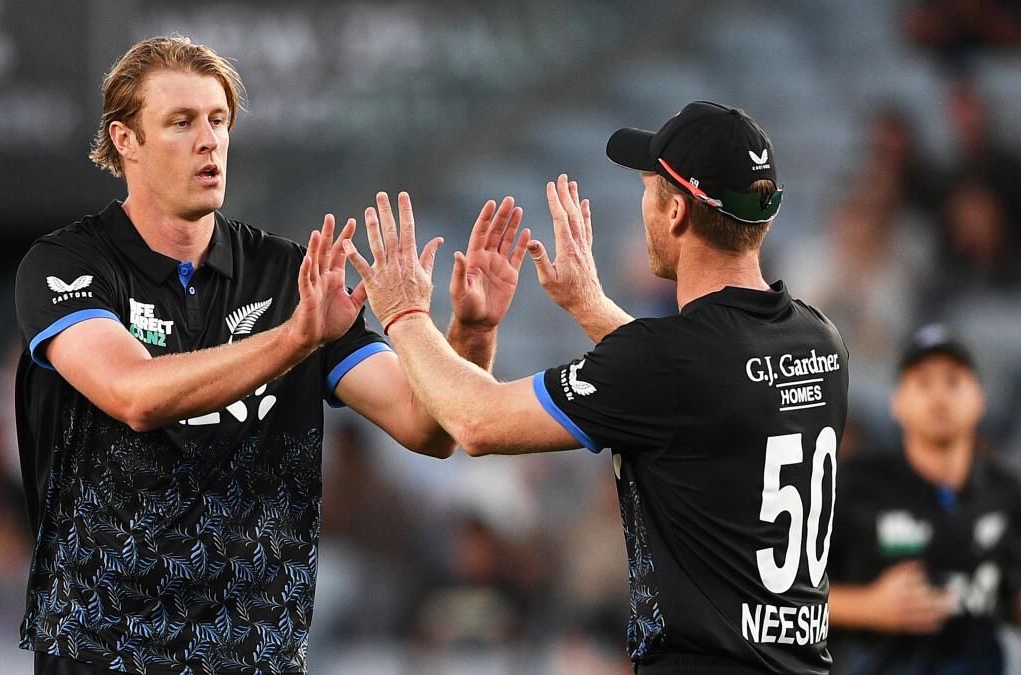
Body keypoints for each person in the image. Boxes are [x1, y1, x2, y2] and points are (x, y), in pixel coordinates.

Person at [13, 36, 530, 675]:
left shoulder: (289, 275)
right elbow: (134, 394)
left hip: (254, 651)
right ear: (126, 140)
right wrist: (293, 340)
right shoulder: (68, 263)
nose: (209, 141)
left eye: (218, 120)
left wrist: (472, 330)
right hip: (104, 649)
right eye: (181, 122)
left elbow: (427, 427)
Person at [344, 101, 850, 673]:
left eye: (649, 190)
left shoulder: (669, 360)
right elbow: (700, 382)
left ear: (676, 211)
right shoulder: (819, 340)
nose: (643, 207)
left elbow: (476, 423)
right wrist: (589, 305)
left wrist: (406, 313)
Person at [828, 324, 1021, 675]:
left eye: (953, 381)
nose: (939, 397)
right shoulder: (852, 485)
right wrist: (868, 607)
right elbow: (784, 595)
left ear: (980, 399)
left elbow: (1012, 600)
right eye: (923, 383)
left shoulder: (1007, 493)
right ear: (897, 402)